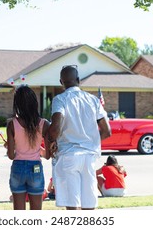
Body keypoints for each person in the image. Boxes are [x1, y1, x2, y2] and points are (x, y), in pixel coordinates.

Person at [48, 65, 111, 210]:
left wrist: (52, 140)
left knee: (72, 205)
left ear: (61, 82)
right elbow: (107, 131)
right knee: (89, 203)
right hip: (89, 157)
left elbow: (55, 128)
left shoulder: (60, 100)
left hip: (68, 155)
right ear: (78, 80)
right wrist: (91, 142)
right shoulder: (93, 100)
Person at [6, 85, 51, 210]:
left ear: (17, 103)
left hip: (18, 167)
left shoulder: (12, 124)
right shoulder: (44, 123)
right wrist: (37, 150)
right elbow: (47, 155)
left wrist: (15, 146)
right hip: (35, 167)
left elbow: (11, 156)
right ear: (34, 102)